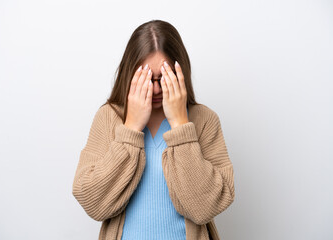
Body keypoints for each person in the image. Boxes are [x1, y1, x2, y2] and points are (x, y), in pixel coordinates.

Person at [72, 19, 235, 240]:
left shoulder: (204, 120)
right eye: (148, 78)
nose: (156, 88)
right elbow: (94, 203)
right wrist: (130, 128)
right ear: (131, 74)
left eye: (164, 78)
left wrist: (180, 125)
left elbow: (205, 207)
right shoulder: (109, 117)